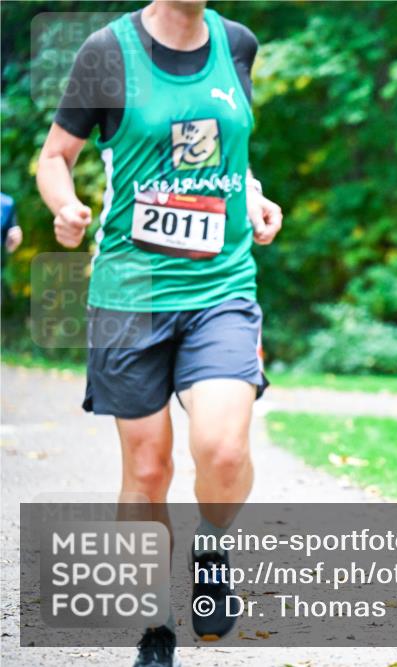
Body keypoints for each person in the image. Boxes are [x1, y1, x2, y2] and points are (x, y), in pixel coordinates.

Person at [35, 2, 282, 665]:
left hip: (221, 286)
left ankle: (211, 543)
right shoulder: (106, 54)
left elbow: (231, 152)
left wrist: (253, 194)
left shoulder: (237, 44)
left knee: (223, 449)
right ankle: (156, 624)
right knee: (148, 469)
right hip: (131, 293)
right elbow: (55, 156)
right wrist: (65, 206)